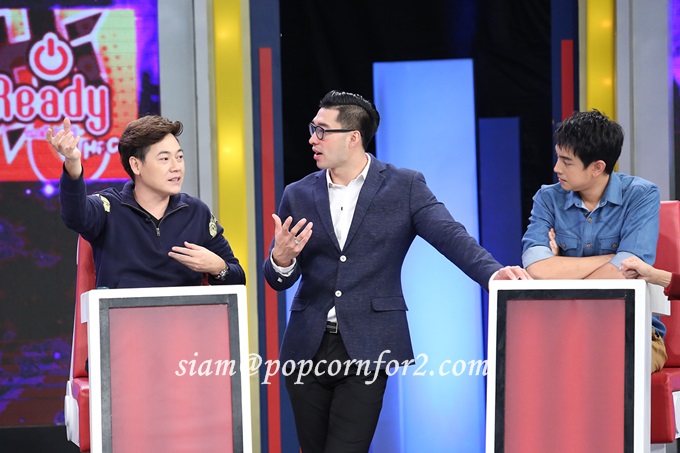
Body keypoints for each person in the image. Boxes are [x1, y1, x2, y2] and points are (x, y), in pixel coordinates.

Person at [262, 90, 531, 453]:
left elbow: (449, 235)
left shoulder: (404, 186)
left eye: (322, 130)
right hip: (306, 346)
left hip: (368, 345)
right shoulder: (298, 193)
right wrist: (281, 260)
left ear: (353, 137)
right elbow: (278, 279)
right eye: (313, 129)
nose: (313, 138)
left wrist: (493, 274)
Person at [521, 109, 666, 372]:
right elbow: (537, 268)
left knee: (604, 367)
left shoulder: (641, 196)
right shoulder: (547, 199)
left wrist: (561, 268)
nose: (556, 168)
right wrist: (612, 259)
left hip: (631, 329)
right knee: (527, 364)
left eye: (567, 161)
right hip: (566, 330)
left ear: (597, 167)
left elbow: (628, 272)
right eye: (558, 157)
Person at [46, 115, 245, 289]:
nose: (176, 167)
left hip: (184, 319)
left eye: (180, 157)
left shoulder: (196, 213)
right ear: (136, 165)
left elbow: (238, 279)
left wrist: (219, 268)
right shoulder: (109, 208)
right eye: (165, 159)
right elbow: (75, 215)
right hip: (122, 319)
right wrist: (72, 162)